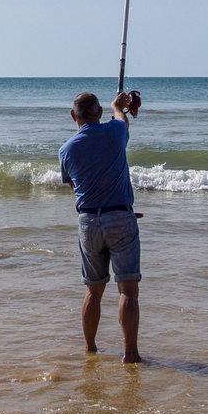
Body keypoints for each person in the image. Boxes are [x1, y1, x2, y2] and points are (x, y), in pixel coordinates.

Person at [59, 90, 141, 363]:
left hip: (88, 223)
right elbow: (122, 120)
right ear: (98, 113)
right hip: (120, 217)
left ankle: (91, 348)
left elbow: (76, 189)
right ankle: (130, 353)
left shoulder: (66, 149)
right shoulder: (114, 132)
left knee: (93, 290)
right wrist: (117, 107)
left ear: (74, 116)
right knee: (127, 290)